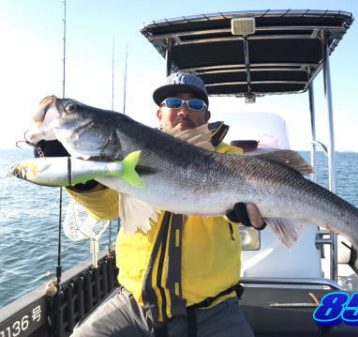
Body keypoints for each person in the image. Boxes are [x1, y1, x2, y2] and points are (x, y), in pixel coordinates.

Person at [35, 72, 265, 337]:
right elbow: (108, 208)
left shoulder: (230, 159)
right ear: (159, 114)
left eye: (195, 105)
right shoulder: (131, 154)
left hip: (214, 310)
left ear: (207, 117)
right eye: (173, 103)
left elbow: (245, 204)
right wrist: (79, 178)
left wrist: (243, 215)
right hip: (132, 304)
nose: (184, 111)